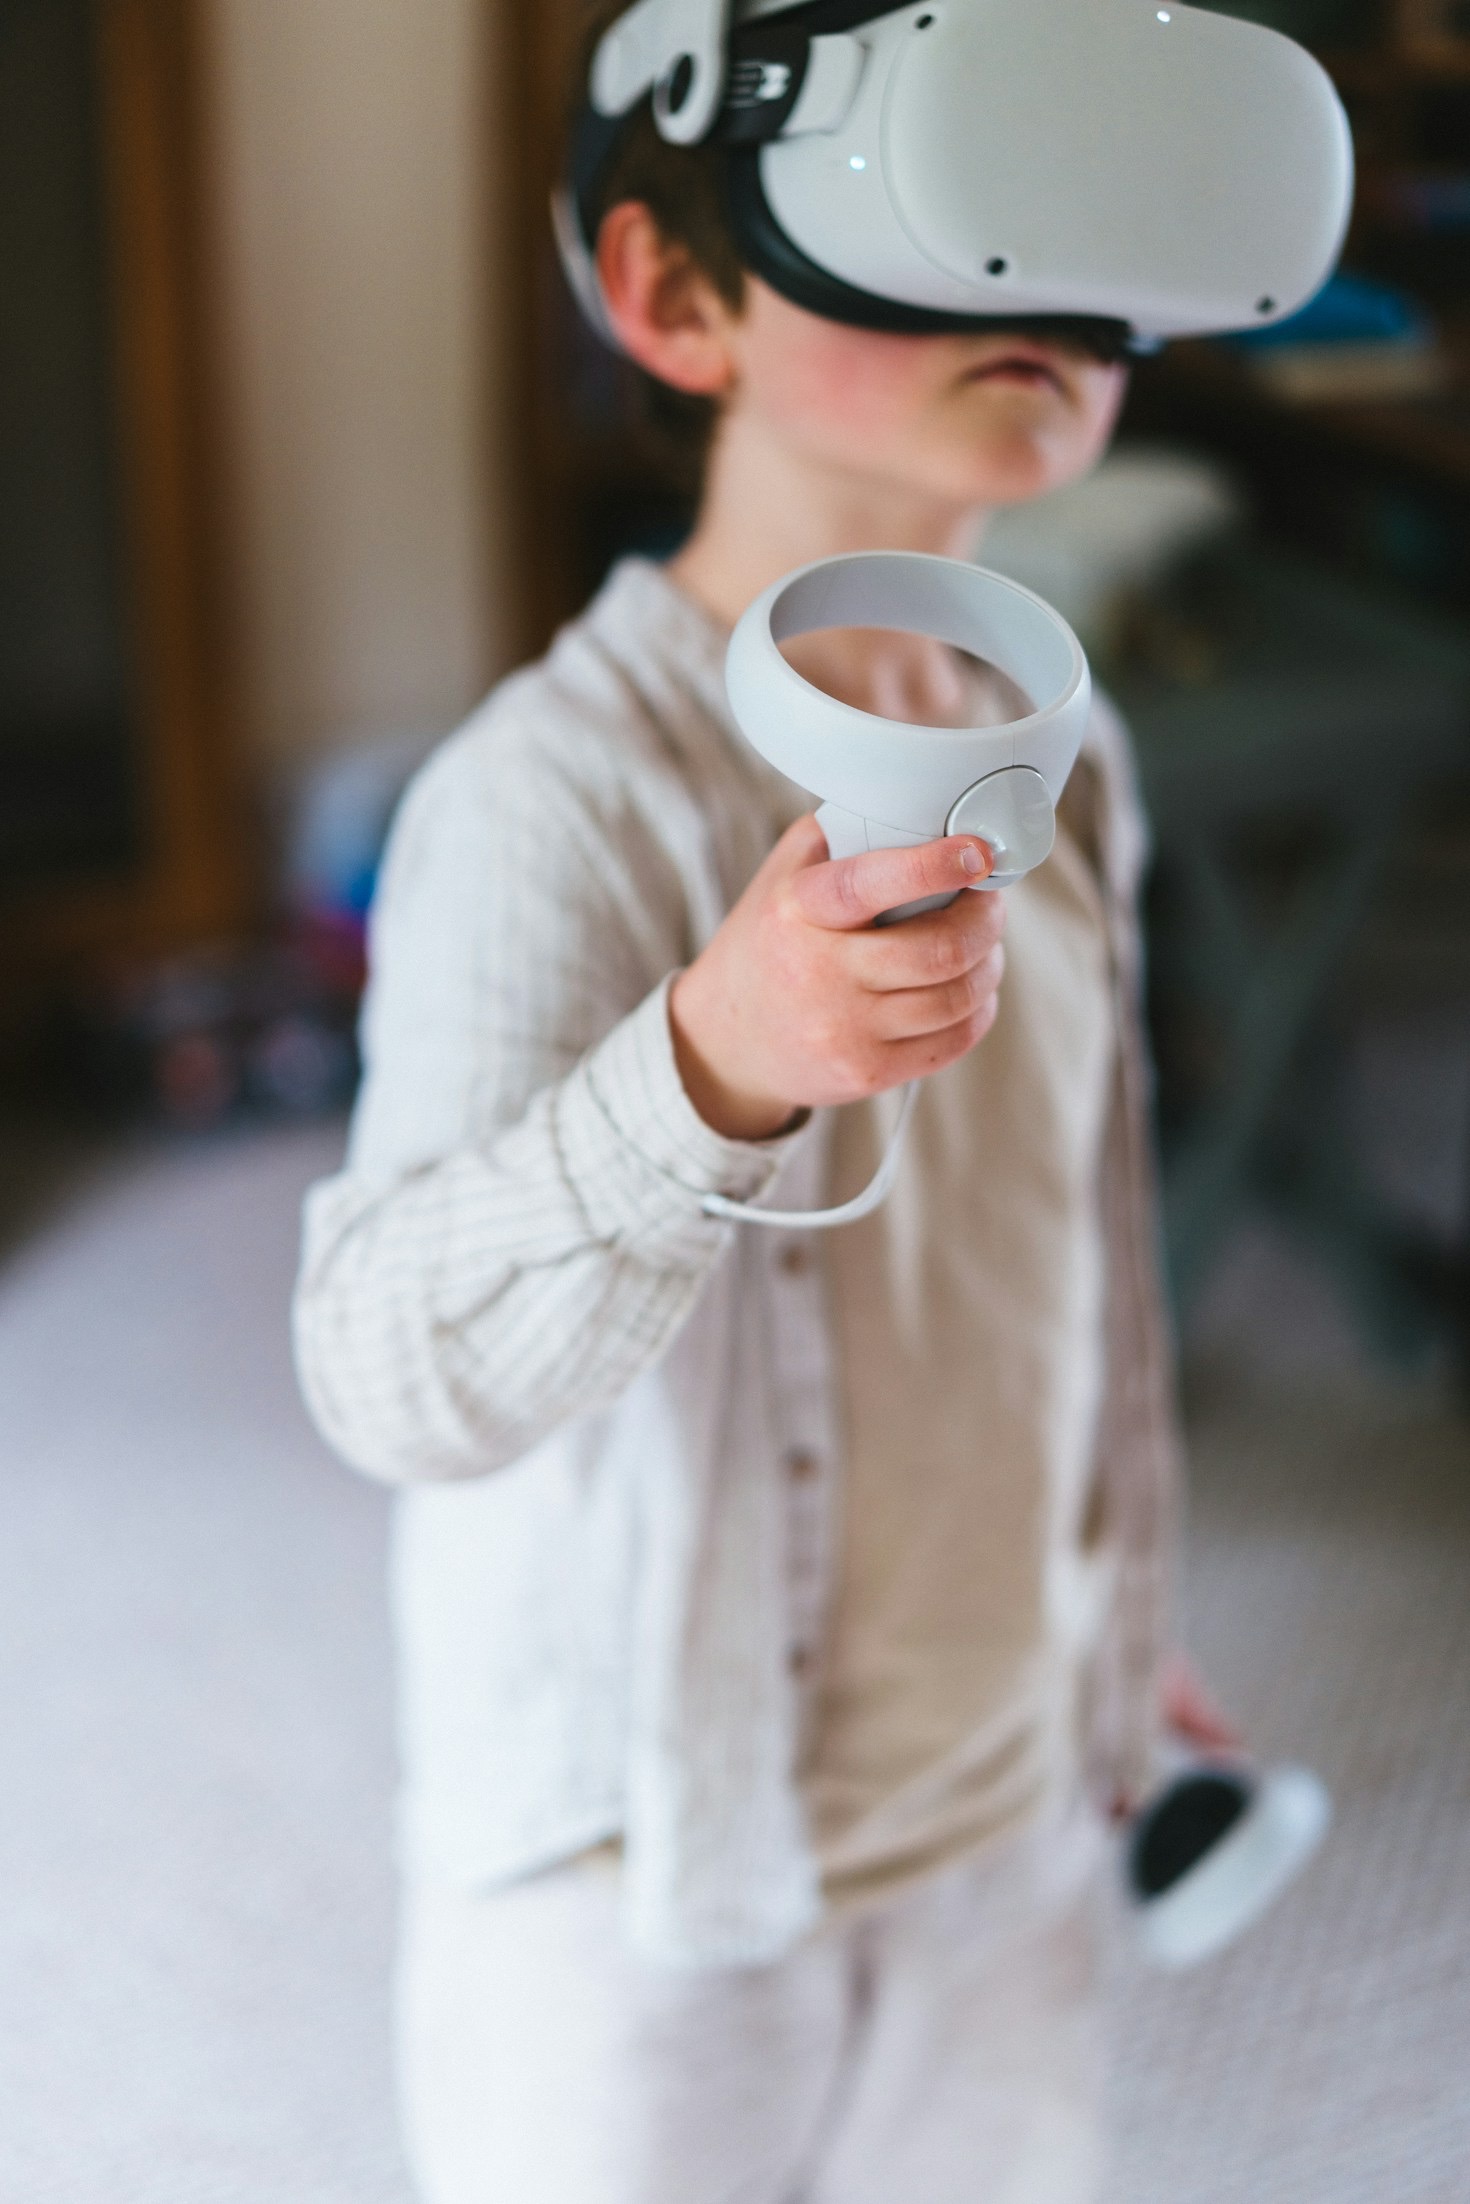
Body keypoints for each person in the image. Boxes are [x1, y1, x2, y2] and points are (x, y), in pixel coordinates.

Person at [293, 13, 1236, 2198]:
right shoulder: (546, 798)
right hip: (641, 1871)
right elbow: (385, 1371)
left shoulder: (1069, 756)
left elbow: (1058, 1263)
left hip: (1005, 1819)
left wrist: (1106, 1621)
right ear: (670, 291)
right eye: (944, 209)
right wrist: (715, 1061)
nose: (1030, 278)